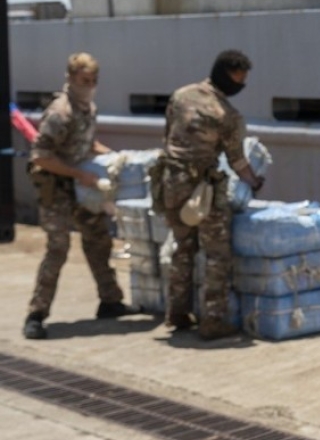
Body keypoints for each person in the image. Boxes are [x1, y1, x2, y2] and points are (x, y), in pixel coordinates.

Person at [153, 50, 264, 341]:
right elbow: (237, 160)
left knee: (182, 247)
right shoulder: (227, 115)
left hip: (170, 182)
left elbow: (168, 137)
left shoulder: (180, 95)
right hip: (201, 189)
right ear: (228, 76)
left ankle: (176, 313)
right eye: (240, 80)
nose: (241, 86)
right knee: (217, 254)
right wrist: (254, 181)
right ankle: (213, 320)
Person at [23, 53, 132, 340]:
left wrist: (109, 154)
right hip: (57, 188)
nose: (90, 86)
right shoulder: (60, 113)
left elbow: (85, 141)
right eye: (85, 80)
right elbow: (41, 156)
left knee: (98, 240)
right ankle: (36, 314)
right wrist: (78, 174)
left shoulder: (87, 109)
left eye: (94, 81)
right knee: (57, 249)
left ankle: (110, 301)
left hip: (82, 188)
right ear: (71, 78)